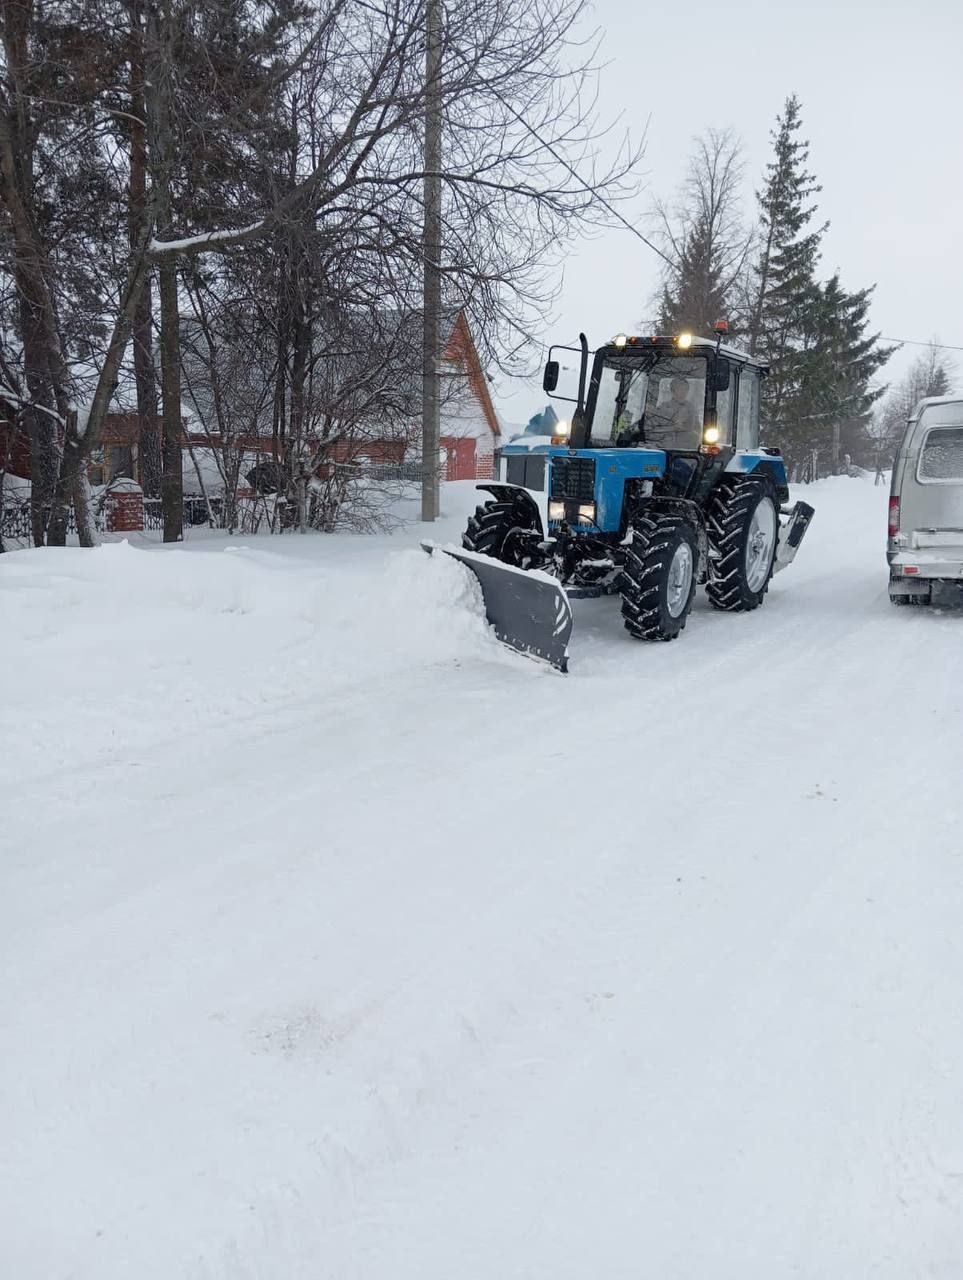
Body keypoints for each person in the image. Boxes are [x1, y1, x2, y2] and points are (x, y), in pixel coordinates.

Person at [646, 376, 701, 448]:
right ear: (672, 391)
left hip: (687, 451)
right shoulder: (662, 408)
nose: (683, 392)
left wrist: (687, 430)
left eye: (685, 389)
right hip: (665, 448)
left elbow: (697, 430)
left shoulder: (691, 409)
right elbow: (653, 431)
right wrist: (672, 428)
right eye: (680, 389)